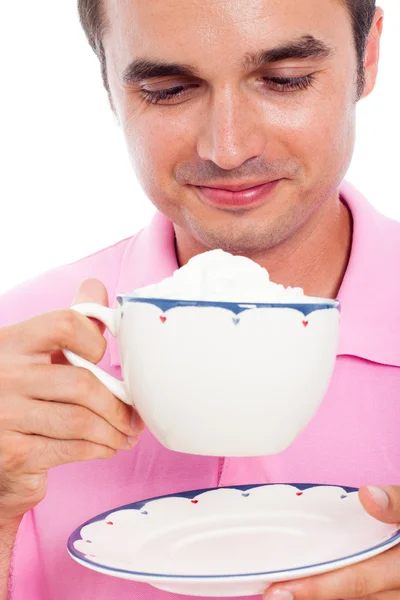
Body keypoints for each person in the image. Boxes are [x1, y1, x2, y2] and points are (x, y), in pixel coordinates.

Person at [0, 0, 399, 598]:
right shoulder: (16, 350)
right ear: (107, 83)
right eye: (167, 89)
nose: (228, 148)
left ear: (367, 59)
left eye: (285, 79)